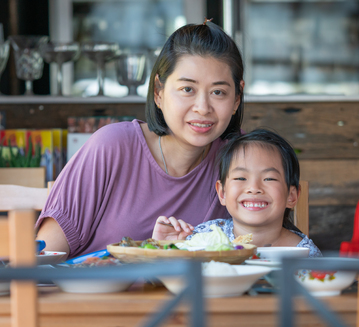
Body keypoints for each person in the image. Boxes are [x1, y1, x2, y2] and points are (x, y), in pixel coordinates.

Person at [35, 19, 245, 259]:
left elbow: (268, 243)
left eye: (218, 92)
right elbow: (43, 260)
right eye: (187, 89)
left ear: (237, 98)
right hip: (90, 293)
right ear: (158, 92)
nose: (202, 107)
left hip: (193, 296)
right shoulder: (112, 147)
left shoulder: (242, 159)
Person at [152, 129, 322, 257]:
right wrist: (164, 249)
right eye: (241, 178)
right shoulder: (204, 238)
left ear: (291, 196)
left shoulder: (304, 254)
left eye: (269, 179)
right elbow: (161, 282)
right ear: (223, 193)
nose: (254, 188)